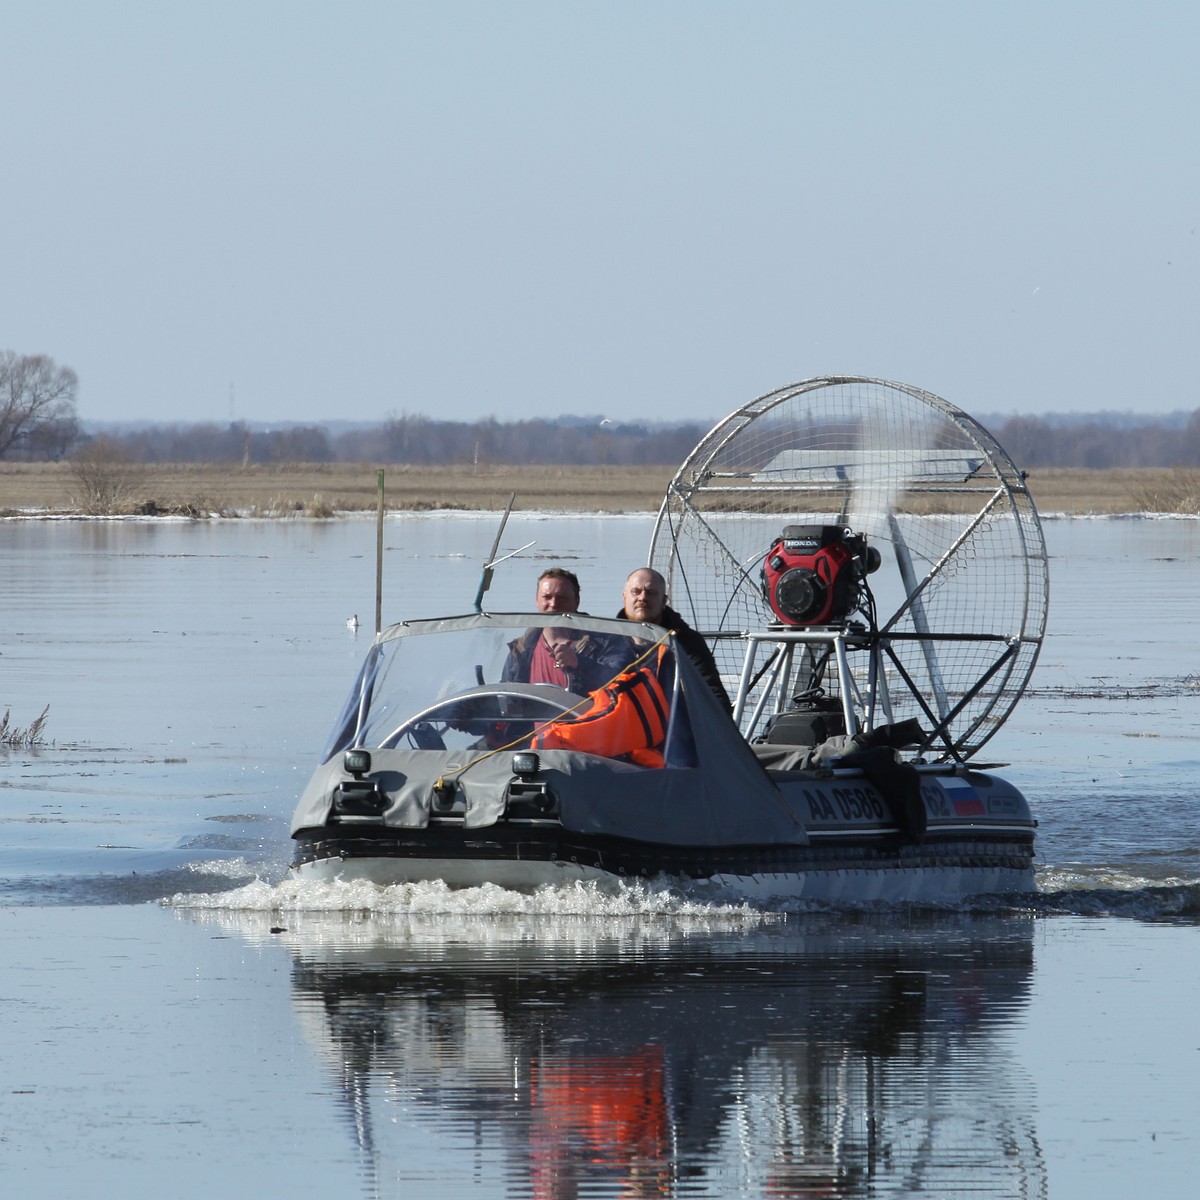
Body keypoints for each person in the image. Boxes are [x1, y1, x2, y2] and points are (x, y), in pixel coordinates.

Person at [616, 567, 732, 710]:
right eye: (636, 592)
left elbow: (712, 692)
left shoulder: (686, 642)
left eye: (651, 593)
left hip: (671, 725)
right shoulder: (608, 640)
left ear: (664, 601)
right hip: (618, 723)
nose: (643, 598)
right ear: (624, 597)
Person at [501, 567, 622, 693]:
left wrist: (579, 663)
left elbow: (621, 682)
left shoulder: (605, 641)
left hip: (589, 712)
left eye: (562, 598)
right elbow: (505, 696)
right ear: (537, 601)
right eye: (547, 597)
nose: (553, 604)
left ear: (577, 601)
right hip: (533, 713)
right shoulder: (520, 649)